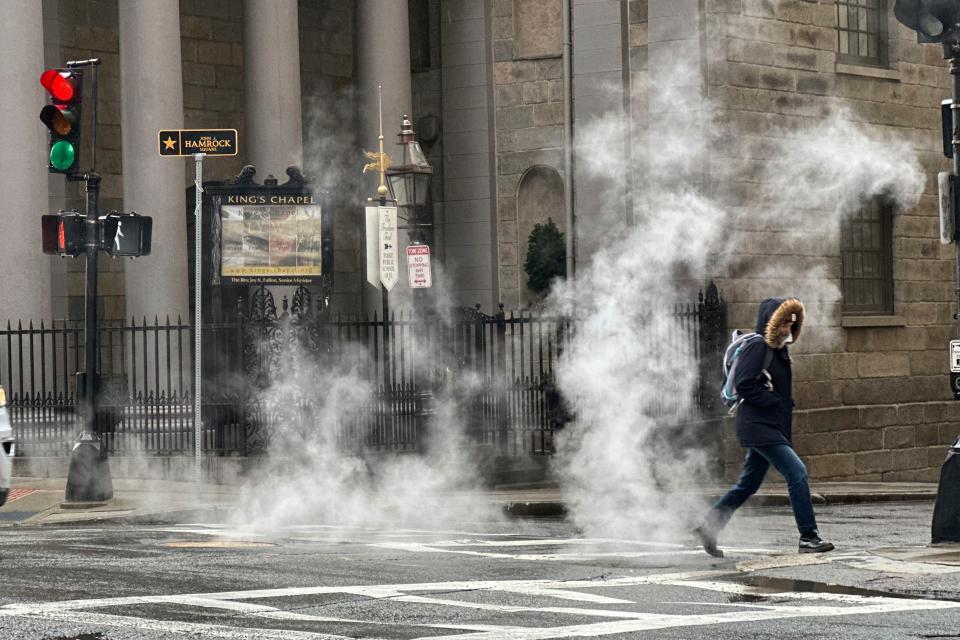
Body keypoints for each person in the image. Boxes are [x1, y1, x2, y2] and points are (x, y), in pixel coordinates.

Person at [694, 297, 834, 557]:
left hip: (769, 426)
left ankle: (709, 526)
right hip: (757, 425)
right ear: (771, 323)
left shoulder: (779, 349)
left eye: (792, 325)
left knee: (747, 485)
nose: (787, 330)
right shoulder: (758, 347)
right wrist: (773, 400)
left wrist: (780, 405)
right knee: (797, 472)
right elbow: (744, 384)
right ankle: (808, 536)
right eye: (783, 324)